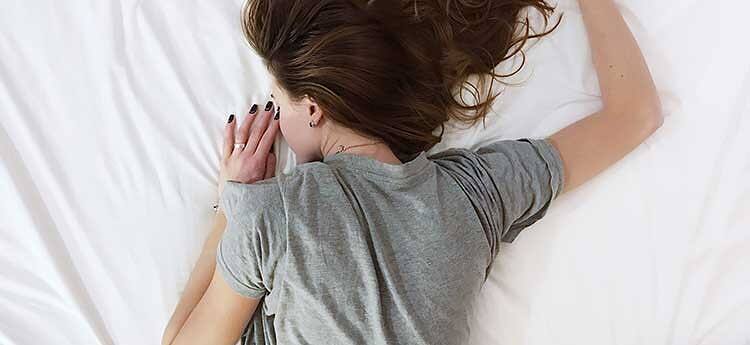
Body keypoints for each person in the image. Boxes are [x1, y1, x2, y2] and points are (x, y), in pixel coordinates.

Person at [162, 0, 663, 343]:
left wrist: (234, 199)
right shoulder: (475, 194)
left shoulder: (271, 213)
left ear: (313, 108)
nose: (276, 115)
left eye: (278, 101)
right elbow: (635, 114)